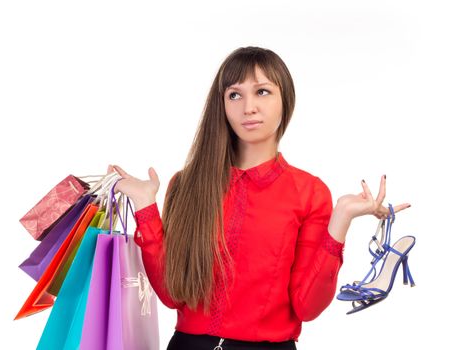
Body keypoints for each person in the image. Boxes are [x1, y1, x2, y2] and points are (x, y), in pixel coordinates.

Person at [108, 46, 411, 350]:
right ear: (222, 105)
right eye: (235, 95)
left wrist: (341, 218)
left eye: (262, 92)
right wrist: (146, 206)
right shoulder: (186, 184)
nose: (248, 107)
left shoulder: (309, 192)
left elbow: (307, 306)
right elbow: (172, 294)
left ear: (285, 101)